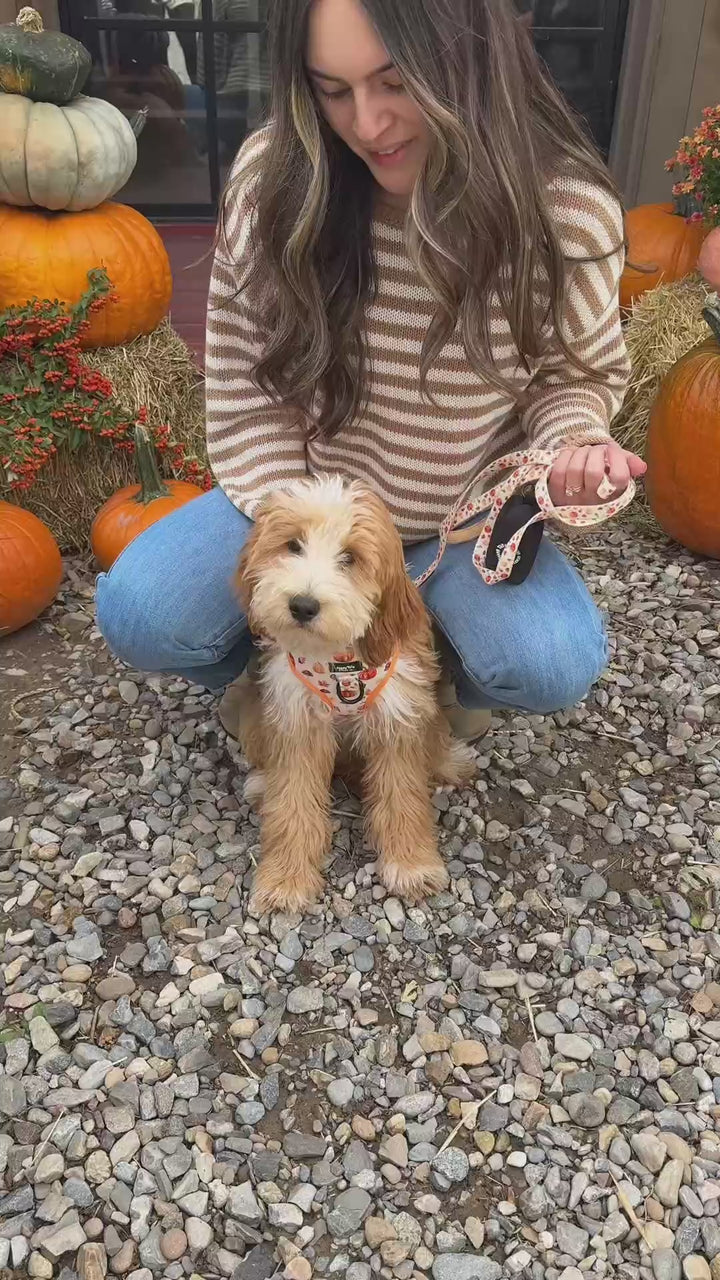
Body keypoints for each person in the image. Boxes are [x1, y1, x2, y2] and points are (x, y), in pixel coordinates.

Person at [96, 0, 646, 743]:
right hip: (309, 503)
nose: (366, 124)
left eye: (396, 83)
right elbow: (244, 383)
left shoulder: (568, 211)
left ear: (473, 67)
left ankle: (420, 678)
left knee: (548, 664)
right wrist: (302, 547)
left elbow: (570, 378)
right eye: (333, 89)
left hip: (459, 525)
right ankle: (282, 679)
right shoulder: (273, 182)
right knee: (142, 616)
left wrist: (574, 445)